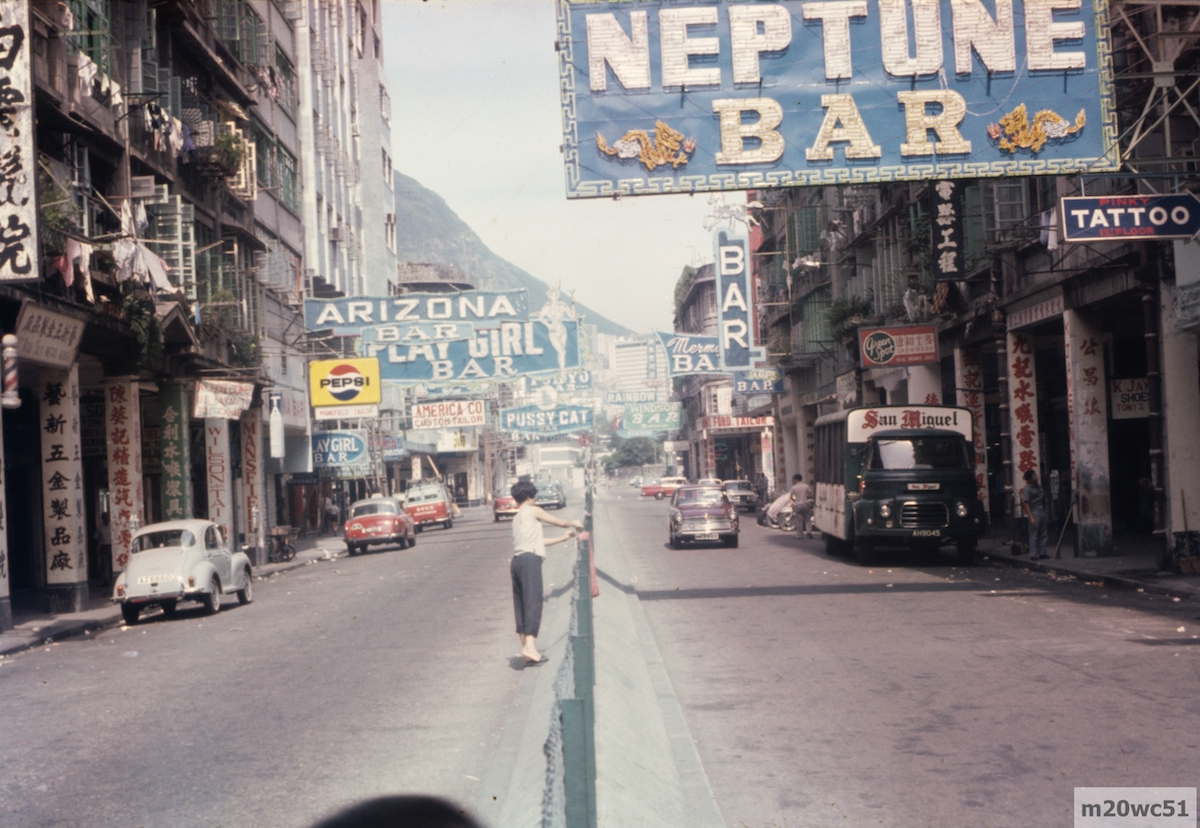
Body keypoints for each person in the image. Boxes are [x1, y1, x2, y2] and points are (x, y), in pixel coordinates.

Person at [510, 479, 583, 666]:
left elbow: (537, 541)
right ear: (528, 496)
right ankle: (529, 647)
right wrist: (573, 523)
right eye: (534, 495)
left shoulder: (517, 517)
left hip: (517, 562)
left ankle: (527, 650)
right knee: (533, 602)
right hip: (529, 562)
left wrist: (561, 540)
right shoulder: (532, 510)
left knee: (521, 605)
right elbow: (558, 521)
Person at [1022, 468, 1049, 560]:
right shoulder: (1027, 489)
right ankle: (1033, 554)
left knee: (1043, 533)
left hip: (1041, 510)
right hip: (1034, 511)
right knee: (1034, 534)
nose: (1036, 477)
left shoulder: (1038, 486)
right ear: (1029, 479)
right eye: (1034, 476)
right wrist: (1031, 517)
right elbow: (1027, 504)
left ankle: (1043, 552)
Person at [789, 473, 815, 539]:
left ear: (796, 479)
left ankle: (800, 535)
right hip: (805, 504)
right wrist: (806, 497)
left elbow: (791, 497)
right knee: (807, 519)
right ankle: (809, 532)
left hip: (797, 505)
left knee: (799, 520)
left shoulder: (793, 487)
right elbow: (810, 495)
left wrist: (795, 499)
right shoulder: (806, 486)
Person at [94, 511, 112, 587]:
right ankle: (107, 581)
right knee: (105, 564)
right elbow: (96, 538)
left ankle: (111, 579)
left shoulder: (112, 526)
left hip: (111, 546)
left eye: (107, 517)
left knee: (111, 564)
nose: (106, 519)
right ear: (102, 519)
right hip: (104, 547)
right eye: (105, 517)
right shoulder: (100, 528)